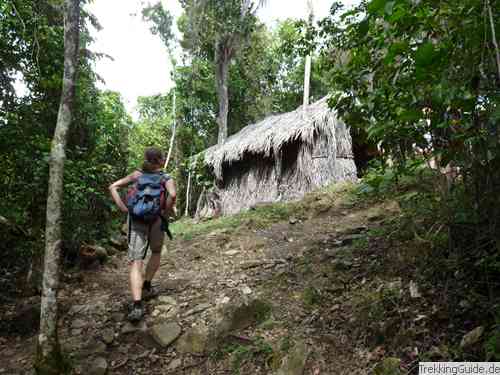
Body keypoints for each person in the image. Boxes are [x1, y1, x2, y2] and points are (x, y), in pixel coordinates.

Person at [109, 147, 176, 322]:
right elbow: (173, 195)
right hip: (156, 219)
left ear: (146, 159)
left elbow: (113, 186)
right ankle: (147, 285)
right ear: (161, 160)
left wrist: (123, 207)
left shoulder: (137, 175)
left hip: (136, 219)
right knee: (155, 252)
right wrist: (166, 211)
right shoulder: (166, 178)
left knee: (136, 261)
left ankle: (137, 304)